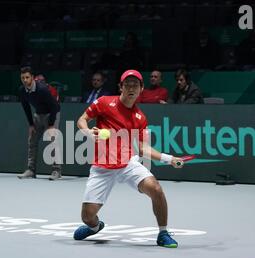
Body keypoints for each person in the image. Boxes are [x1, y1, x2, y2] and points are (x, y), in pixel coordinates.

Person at [73, 69, 187, 248]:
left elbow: (143, 148)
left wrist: (169, 158)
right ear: (121, 87)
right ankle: (94, 228)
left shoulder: (140, 118)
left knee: (156, 189)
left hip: (127, 163)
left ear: (141, 89)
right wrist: (88, 132)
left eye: (135, 85)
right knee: (87, 217)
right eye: (127, 84)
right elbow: (82, 119)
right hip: (102, 167)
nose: (131, 88)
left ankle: (163, 233)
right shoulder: (104, 103)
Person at [18, 66, 62, 181]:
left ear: (32, 78)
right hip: (38, 115)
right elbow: (26, 107)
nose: (25, 80)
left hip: (52, 114)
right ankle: (31, 170)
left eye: (27, 77)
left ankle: (56, 171)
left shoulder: (42, 89)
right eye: (22, 78)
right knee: (32, 141)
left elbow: (55, 106)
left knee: (53, 141)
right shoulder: (22, 90)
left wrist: (51, 124)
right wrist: (31, 124)